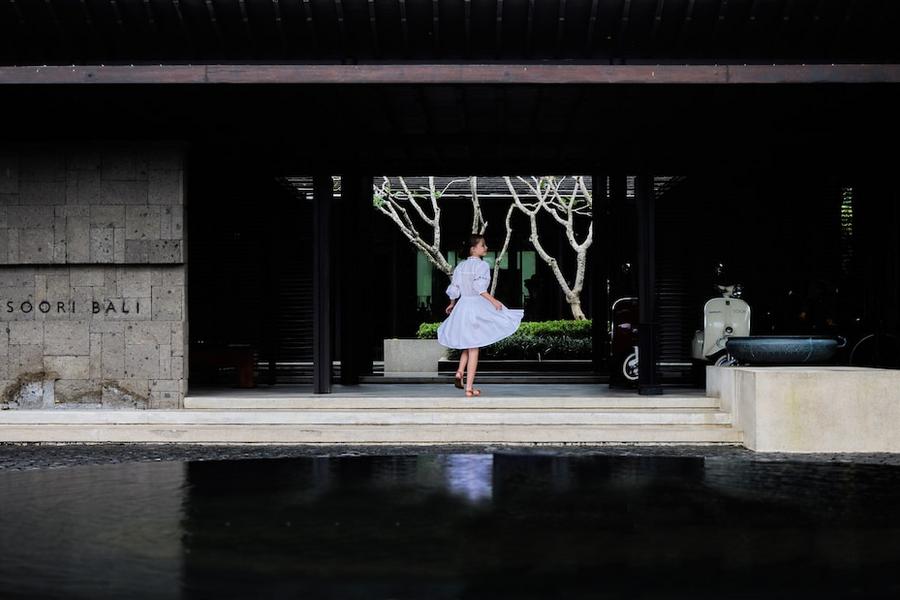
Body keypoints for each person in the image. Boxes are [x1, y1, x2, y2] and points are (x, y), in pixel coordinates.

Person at [437, 234, 524, 397]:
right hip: (475, 305)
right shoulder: (482, 265)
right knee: (474, 346)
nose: (485, 248)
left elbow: (454, 287)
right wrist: (493, 301)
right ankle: (469, 388)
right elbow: (480, 288)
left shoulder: (461, 266)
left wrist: (452, 303)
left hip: (462, 306)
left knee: (468, 343)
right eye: (482, 245)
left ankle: (460, 371)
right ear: (473, 249)